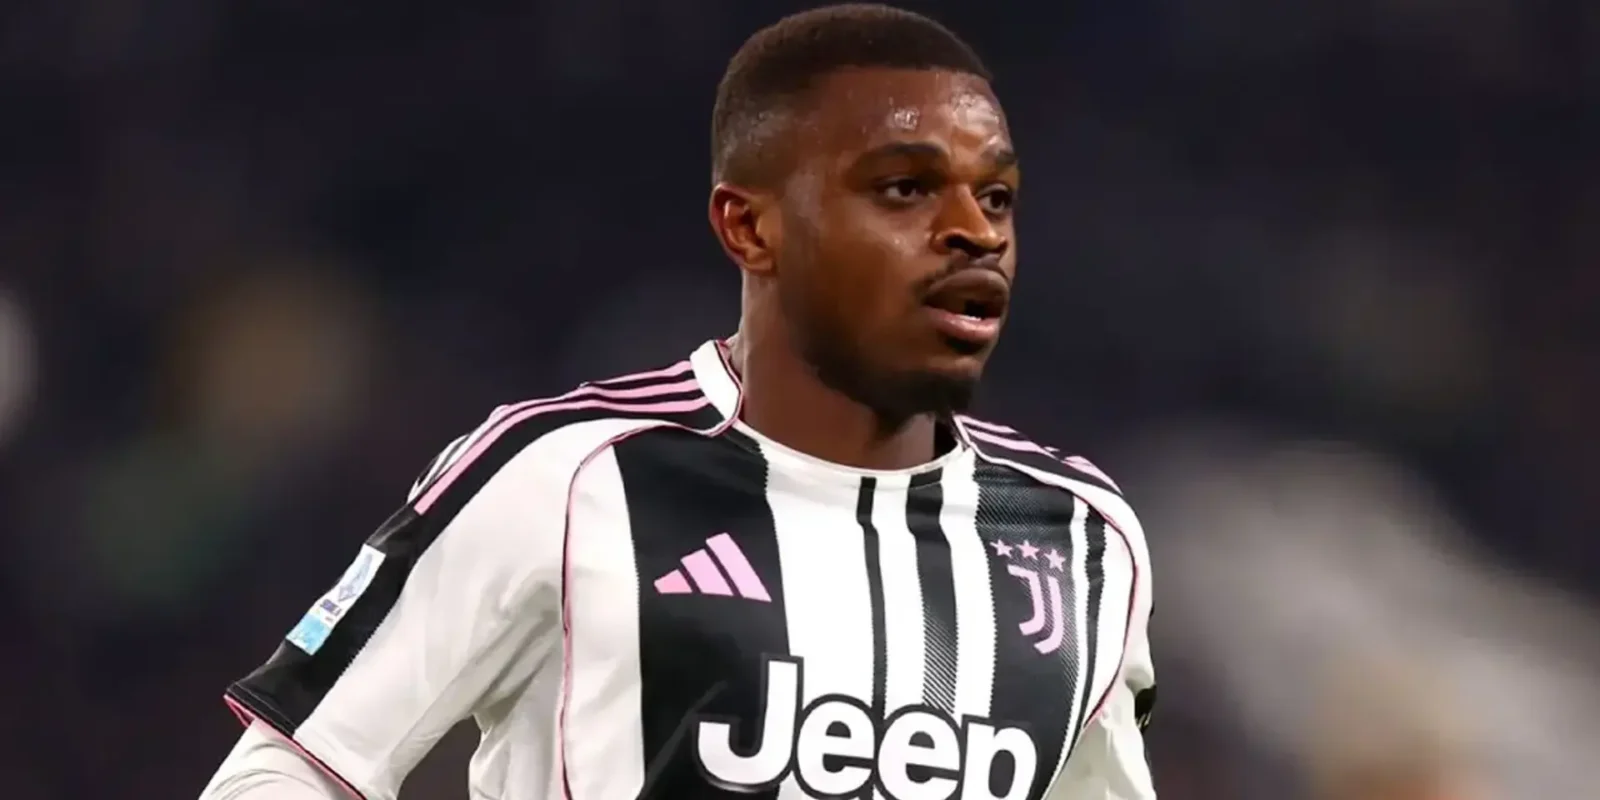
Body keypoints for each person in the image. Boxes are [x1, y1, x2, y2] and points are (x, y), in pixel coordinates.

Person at [199, 4, 1157, 799]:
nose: (974, 231)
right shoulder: (565, 476)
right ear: (751, 227)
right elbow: (289, 768)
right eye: (906, 188)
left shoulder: (1084, 540)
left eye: (997, 197)